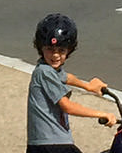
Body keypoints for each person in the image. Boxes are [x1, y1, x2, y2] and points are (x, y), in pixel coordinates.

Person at [27, 13, 116, 152]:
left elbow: (66, 77)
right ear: (41, 48)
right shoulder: (44, 72)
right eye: (50, 49)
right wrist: (102, 114)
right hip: (50, 145)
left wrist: (88, 86)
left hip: (53, 143)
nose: (55, 55)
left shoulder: (49, 69)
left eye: (61, 51)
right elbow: (67, 107)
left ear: (69, 51)